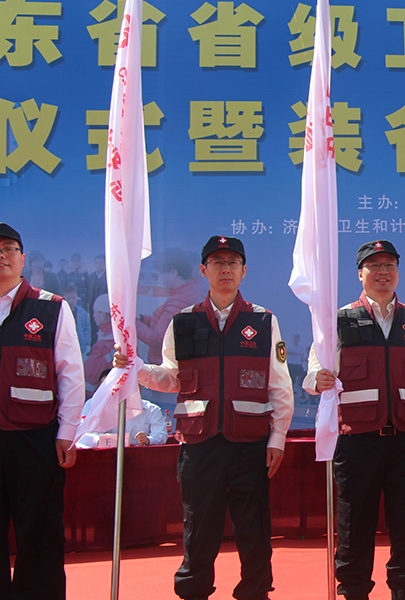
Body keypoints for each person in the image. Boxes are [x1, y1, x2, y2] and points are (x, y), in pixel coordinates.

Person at [113, 235, 293, 600]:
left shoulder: (263, 321)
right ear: (203, 270)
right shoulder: (183, 322)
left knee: (254, 528)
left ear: (244, 271)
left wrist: (277, 438)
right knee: (199, 527)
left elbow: (279, 385)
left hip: (250, 444)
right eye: (217, 262)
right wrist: (137, 369)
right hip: (200, 444)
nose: (225, 269)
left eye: (232, 262)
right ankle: (193, 592)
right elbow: (170, 377)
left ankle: (255, 592)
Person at [303, 239, 405, 600]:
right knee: (354, 523)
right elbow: (314, 370)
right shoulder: (338, 320)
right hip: (356, 439)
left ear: (398, 272)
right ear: (360, 273)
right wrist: (317, 379)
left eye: (389, 265)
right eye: (374, 266)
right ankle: (353, 590)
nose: (382, 272)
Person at [0, 222, 84, 600]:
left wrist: (67, 432)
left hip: (36, 438)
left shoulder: (50, 307)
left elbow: (71, 373)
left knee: (40, 531)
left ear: (23, 259)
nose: (2, 256)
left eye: (9, 249)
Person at [136, 248, 207, 364]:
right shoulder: (188, 293)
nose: (160, 279)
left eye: (161, 273)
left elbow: (157, 338)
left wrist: (133, 323)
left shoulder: (180, 301)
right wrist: (142, 319)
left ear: (173, 273)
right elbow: (165, 324)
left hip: (165, 364)